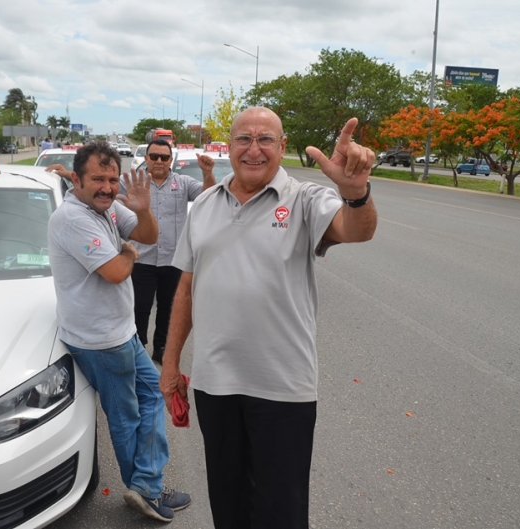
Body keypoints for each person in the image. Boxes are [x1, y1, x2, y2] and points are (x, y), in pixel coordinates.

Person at [159, 107, 378, 529]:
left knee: (281, 510)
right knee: (228, 504)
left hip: (282, 389)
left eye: (265, 140)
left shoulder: (305, 199)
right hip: (214, 384)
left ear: (280, 147)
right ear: (229, 145)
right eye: (244, 138)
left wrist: (356, 193)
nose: (254, 149)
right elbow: (186, 287)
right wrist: (170, 365)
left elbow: (356, 228)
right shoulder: (204, 204)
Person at [47, 141, 191, 522]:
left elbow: (149, 236)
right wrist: (126, 254)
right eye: (98, 179)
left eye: (112, 179)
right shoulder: (72, 218)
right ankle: (146, 488)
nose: (107, 187)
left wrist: (143, 211)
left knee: (154, 395)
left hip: (121, 332)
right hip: (100, 342)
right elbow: (114, 272)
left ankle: (147, 483)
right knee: (126, 414)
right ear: (76, 179)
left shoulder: (107, 209)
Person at [126, 139, 217, 363]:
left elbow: (208, 194)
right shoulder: (135, 182)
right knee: (140, 308)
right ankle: (138, 350)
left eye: (164, 157)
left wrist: (207, 173)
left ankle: (162, 348)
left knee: (168, 308)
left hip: (173, 259)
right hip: (142, 258)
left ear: (170, 160)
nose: (159, 161)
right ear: (146, 158)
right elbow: (103, 188)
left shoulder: (183, 183)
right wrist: (70, 176)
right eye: (154, 156)